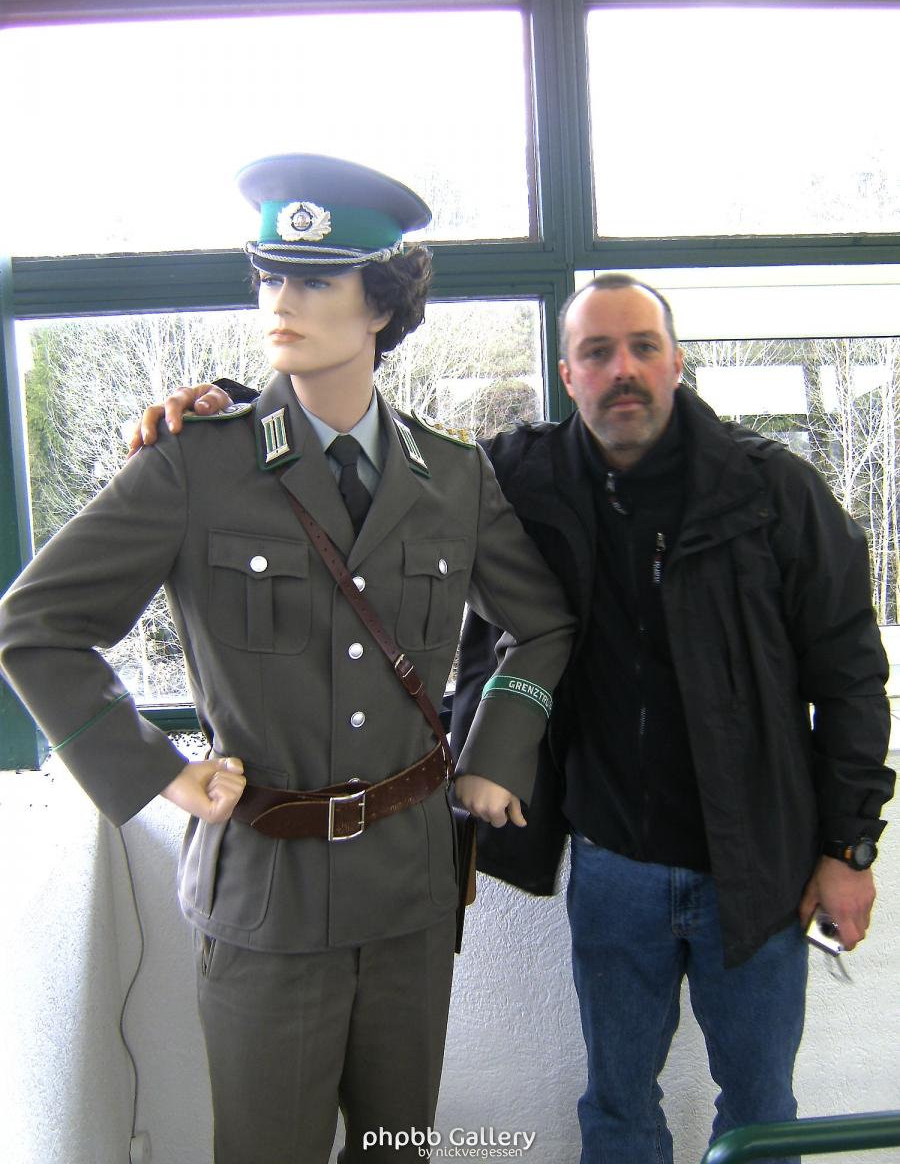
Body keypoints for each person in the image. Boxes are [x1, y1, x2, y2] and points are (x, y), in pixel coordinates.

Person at [155, 273, 896, 1164]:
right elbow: (369, 449)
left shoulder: (775, 491)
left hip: (763, 864)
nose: (622, 370)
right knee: (617, 1106)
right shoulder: (526, 473)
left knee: (762, 1110)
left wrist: (849, 847)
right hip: (615, 863)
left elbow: (852, 677)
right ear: (568, 373)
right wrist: (235, 408)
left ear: (677, 362)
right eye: (597, 353)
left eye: (643, 348)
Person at [0, 154, 575, 1164]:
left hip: (408, 890)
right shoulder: (196, 463)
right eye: (270, 276)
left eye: (315, 279)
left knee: (398, 1147)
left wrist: (495, 754)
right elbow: (33, 626)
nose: (281, 301)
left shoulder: (453, 476)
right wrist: (160, 772)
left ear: (380, 306)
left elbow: (543, 626)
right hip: (265, 892)